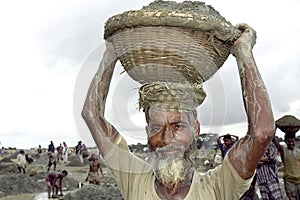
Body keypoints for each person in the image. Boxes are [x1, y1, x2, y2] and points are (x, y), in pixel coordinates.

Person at [82, 23, 275, 199]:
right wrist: (110, 53)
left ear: (196, 129)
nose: (166, 138)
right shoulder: (133, 178)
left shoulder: (217, 186)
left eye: (177, 125)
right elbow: (91, 114)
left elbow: (261, 133)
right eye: (157, 126)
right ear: (147, 132)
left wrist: (243, 52)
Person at [274, 127, 300, 200]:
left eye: (293, 141)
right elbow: (273, 139)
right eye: (289, 141)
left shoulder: (299, 152)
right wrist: (275, 127)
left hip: (299, 181)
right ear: (285, 141)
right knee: (292, 198)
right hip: (289, 181)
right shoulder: (283, 151)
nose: (291, 143)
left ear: (295, 141)